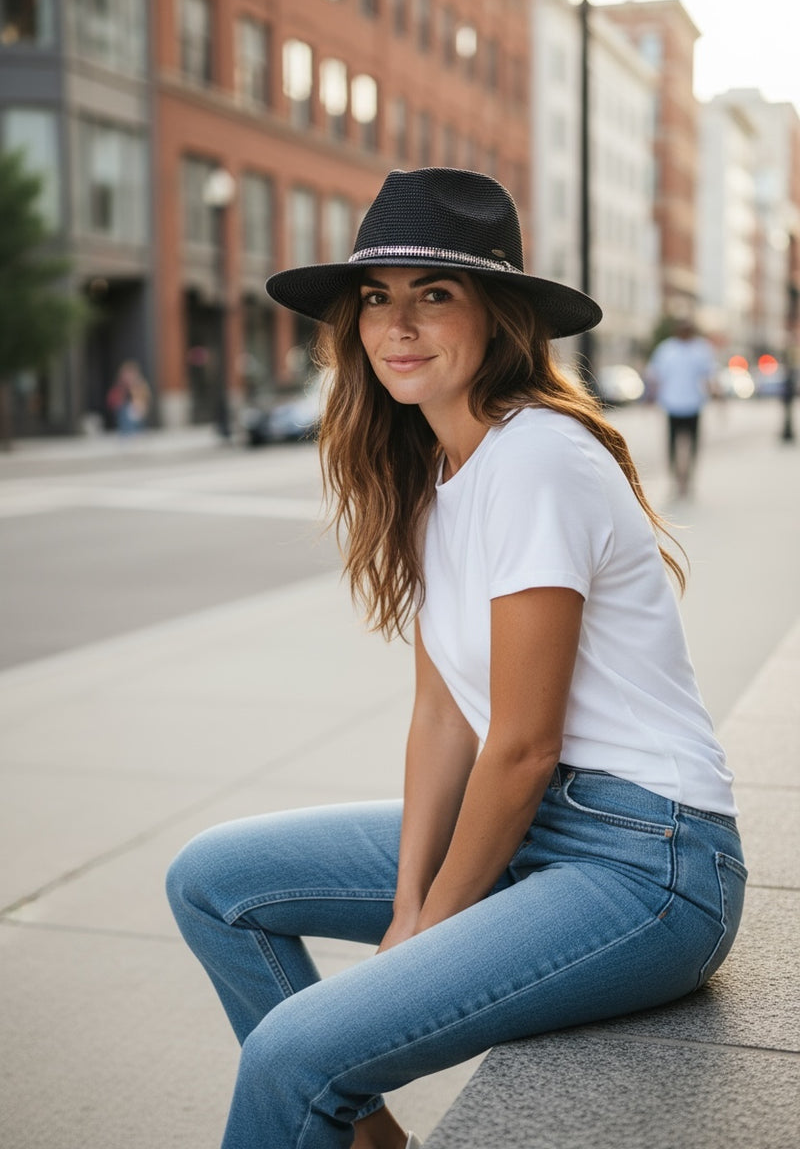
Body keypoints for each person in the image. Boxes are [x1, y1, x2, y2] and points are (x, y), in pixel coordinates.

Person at [167, 169, 745, 1149]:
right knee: (211, 880)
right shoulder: (443, 475)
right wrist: (406, 904)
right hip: (543, 830)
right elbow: (442, 716)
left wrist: (432, 922)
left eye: (433, 294)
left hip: (650, 863)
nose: (397, 325)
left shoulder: (539, 458)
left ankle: (324, 1110)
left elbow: (520, 745)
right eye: (375, 298)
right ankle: (362, 1135)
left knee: (289, 1054)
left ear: (499, 317)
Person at [646, 319, 717, 497]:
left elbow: (708, 375)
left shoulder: (701, 349)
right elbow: (655, 375)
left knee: (692, 444)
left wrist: (718, 399)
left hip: (693, 404)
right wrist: (651, 397)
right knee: (672, 444)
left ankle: (688, 477)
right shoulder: (666, 349)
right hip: (672, 404)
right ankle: (676, 477)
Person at [106, 360, 151, 435]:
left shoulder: (139, 385)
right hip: (124, 414)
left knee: (135, 410)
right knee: (125, 412)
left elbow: (145, 399)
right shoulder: (120, 387)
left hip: (137, 412)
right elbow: (113, 402)